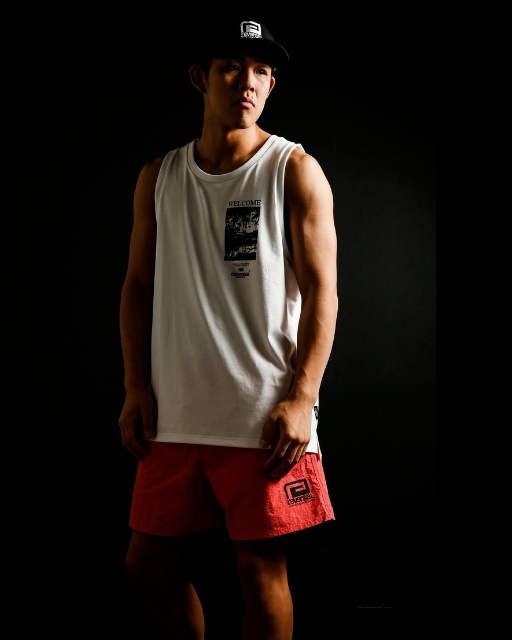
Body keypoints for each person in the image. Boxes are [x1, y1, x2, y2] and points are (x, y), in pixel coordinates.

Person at [118, 17, 338, 640]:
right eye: (231, 67)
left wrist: (302, 398)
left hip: (261, 415)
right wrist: (135, 385)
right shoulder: (159, 176)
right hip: (175, 415)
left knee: (258, 575)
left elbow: (324, 292)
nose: (248, 81)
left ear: (271, 85)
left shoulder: (292, 168)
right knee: (147, 563)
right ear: (200, 78)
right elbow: (136, 287)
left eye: (262, 71)